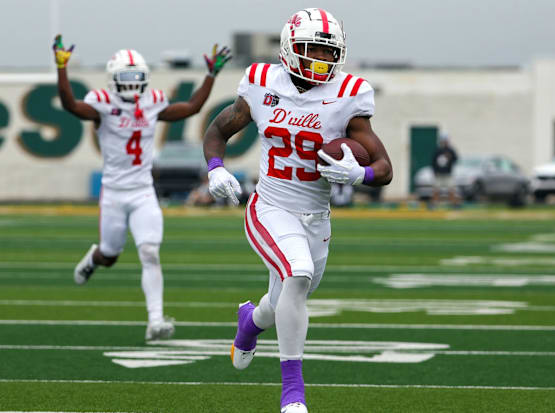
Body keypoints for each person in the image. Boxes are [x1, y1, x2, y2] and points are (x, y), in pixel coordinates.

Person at [202, 9, 392, 413]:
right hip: (269, 206)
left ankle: (250, 322)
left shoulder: (350, 93)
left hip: (316, 219)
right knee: (298, 274)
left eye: (328, 52)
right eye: (311, 50)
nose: (320, 60)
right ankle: (293, 394)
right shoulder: (260, 82)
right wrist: (216, 168)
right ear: (289, 48)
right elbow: (219, 129)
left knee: (285, 296)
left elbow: (385, 168)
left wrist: (358, 174)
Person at [53, 35, 230, 340]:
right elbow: (71, 105)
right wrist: (61, 69)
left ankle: (156, 320)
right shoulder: (102, 104)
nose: (133, 84)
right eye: (126, 78)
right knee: (110, 255)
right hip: (114, 193)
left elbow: (191, 107)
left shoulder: (152, 102)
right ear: (113, 79)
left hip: (143, 191)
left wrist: (211, 75)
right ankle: (93, 258)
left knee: (149, 251)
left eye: (138, 78)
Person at [431, 133, 460, 207]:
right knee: (436, 189)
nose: (444, 142)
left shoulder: (450, 150)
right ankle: (434, 203)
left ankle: (453, 203)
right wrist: (434, 171)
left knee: (451, 189)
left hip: (448, 173)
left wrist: (450, 157)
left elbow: (456, 159)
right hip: (439, 173)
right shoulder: (437, 150)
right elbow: (433, 161)